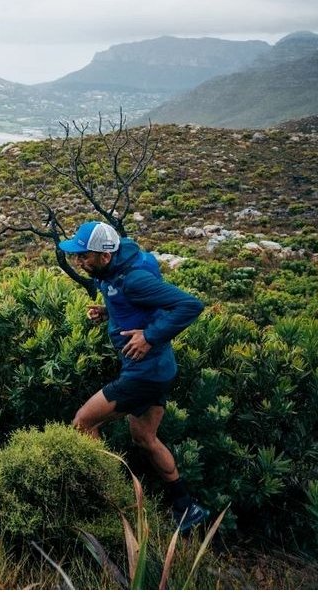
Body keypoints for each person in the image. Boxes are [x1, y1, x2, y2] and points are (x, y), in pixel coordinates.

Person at [58, 220, 211, 533]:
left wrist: (150, 336)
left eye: (84, 256)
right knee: (145, 438)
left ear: (106, 256)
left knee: (83, 423)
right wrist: (108, 311)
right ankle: (187, 507)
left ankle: (110, 500)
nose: (79, 262)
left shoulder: (135, 279)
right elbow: (130, 303)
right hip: (158, 371)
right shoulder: (113, 273)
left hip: (145, 374)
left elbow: (190, 305)